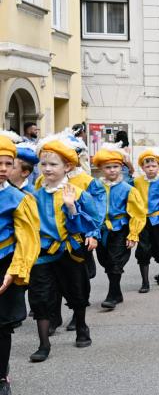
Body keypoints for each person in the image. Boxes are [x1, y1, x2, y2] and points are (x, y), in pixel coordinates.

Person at [28, 135, 101, 361]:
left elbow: (91, 222)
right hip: (42, 254)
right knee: (40, 297)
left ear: (67, 166)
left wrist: (71, 209)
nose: (47, 169)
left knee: (77, 292)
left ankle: (81, 327)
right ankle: (43, 344)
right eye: (43, 164)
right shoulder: (33, 195)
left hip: (70, 251)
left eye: (53, 164)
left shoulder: (77, 194)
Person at [0, 132, 41, 395]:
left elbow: (27, 239)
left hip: (5, 264)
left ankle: (1, 376)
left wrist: (13, 271)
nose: (3, 169)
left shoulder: (19, 198)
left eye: (7, 163)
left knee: (1, 326)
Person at [91, 144, 145, 310]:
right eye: (108, 167)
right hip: (101, 230)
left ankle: (112, 295)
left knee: (115, 261)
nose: (112, 170)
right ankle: (117, 292)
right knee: (105, 261)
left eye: (115, 167)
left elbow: (138, 213)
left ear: (121, 168)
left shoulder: (128, 189)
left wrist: (133, 234)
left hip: (120, 229)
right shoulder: (95, 186)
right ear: (101, 168)